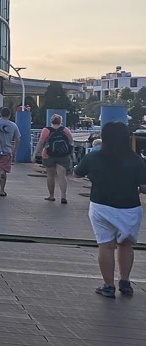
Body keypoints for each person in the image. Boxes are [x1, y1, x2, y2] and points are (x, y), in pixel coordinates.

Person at [74, 121, 146, 298]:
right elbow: (144, 186)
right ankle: (125, 282)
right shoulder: (136, 160)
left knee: (105, 246)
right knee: (126, 244)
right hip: (129, 207)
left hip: (101, 205)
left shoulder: (93, 157)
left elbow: (77, 173)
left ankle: (108, 286)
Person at [34, 114, 74, 204]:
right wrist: (71, 153)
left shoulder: (46, 130)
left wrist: (35, 153)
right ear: (61, 121)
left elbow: (41, 142)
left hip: (48, 155)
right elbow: (71, 141)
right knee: (62, 176)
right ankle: (63, 196)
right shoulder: (65, 130)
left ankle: (51, 196)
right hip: (63, 155)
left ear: (51, 121)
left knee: (50, 176)